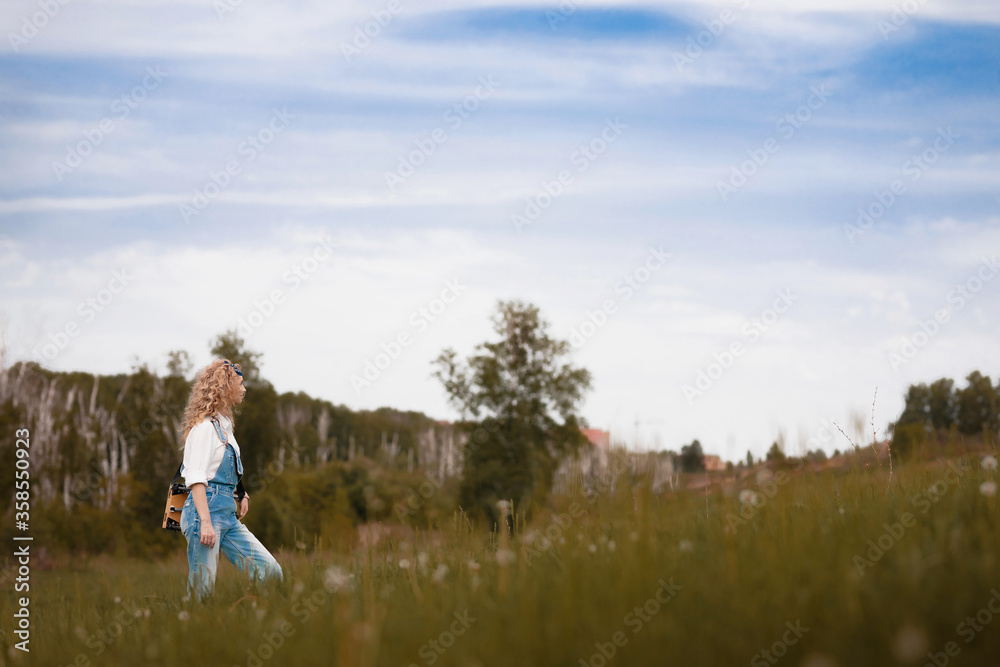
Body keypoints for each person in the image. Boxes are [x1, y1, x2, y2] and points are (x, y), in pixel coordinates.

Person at [179, 359, 282, 600]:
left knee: (271, 572)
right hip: (204, 513)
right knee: (202, 590)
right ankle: (194, 631)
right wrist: (205, 522)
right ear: (225, 387)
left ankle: (249, 619)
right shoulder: (204, 428)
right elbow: (196, 479)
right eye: (240, 383)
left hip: (226, 513)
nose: (244, 389)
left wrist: (240, 493)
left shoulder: (224, 428)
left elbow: (225, 468)